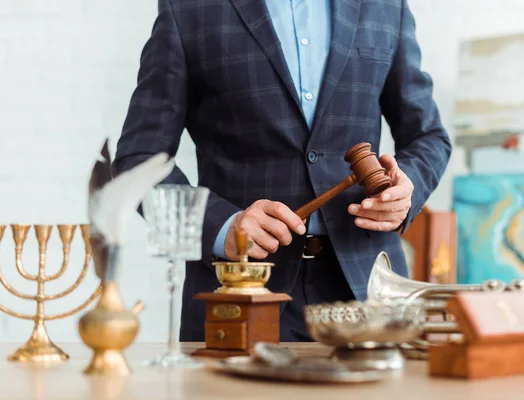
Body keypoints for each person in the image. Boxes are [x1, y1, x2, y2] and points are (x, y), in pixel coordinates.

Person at [114, 0, 451, 342]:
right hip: (239, 293)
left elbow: (429, 137)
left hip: (371, 292)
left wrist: (406, 191)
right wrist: (224, 227)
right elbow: (138, 159)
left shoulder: (385, 6)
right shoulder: (188, 9)